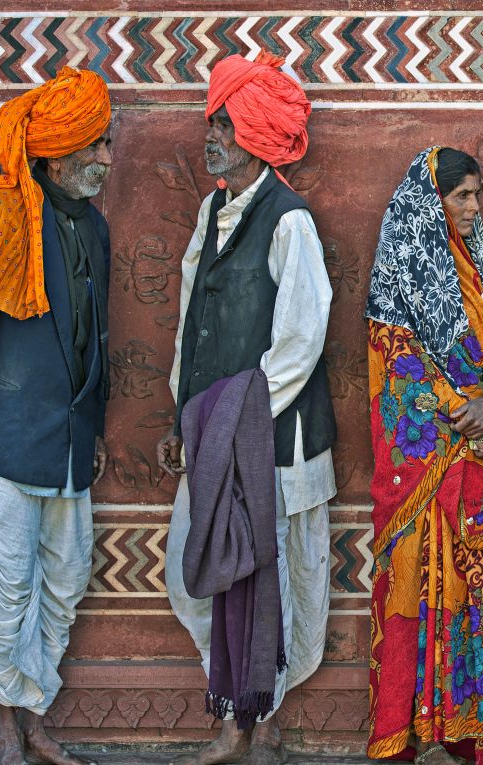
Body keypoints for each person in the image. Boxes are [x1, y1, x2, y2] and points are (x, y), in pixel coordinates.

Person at [157, 52, 337, 765]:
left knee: (280, 580)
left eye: (225, 125)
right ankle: (236, 702)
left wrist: (239, 416)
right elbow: (189, 320)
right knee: (191, 570)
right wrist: (183, 418)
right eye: (211, 122)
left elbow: (301, 338)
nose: (211, 136)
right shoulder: (212, 210)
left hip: (273, 439)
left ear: (258, 136)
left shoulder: (290, 222)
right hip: (212, 436)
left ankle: (258, 724)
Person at [0, 67, 113, 765]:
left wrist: (93, 426)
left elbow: (94, 332)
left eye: (105, 145)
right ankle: (9, 719)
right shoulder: (3, 213)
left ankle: (32, 706)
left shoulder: (93, 225)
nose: (104, 159)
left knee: (67, 578)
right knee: (10, 583)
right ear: (58, 153)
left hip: (71, 438)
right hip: (10, 435)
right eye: (95, 146)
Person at [365, 147, 483, 765]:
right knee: (416, 585)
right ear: (433, 201)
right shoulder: (397, 273)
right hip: (429, 462)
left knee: (479, 587)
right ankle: (408, 733)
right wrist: (468, 417)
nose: (473, 207)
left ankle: (471, 731)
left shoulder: (481, 264)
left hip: (478, 462)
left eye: (477, 196)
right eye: (462, 195)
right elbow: (396, 367)